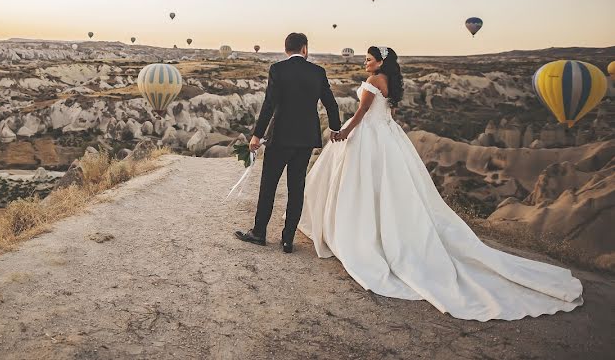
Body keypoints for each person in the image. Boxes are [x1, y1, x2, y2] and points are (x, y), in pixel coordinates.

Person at [298, 45, 583, 320]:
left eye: (370, 59)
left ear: (381, 62)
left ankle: (357, 232)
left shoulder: (374, 80)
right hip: (387, 137)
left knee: (359, 186)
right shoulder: (390, 81)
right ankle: (380, 229)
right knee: (386, 189)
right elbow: (386, 114)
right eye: (366, 59)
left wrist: (343, 132)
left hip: (369, 137)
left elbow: (360, 114)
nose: (366, 62)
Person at [235, 32, 341, 253]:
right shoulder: (318, 72)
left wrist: (257, 134)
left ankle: (259, 233)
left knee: (268, 187)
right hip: (305, 139)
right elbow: (331, 103)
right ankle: (287, 240)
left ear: (286, 50)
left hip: (280, 137)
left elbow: (269, 104)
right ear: (305, 49)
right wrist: (335, 129)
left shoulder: (278, 70)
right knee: (296, 188)